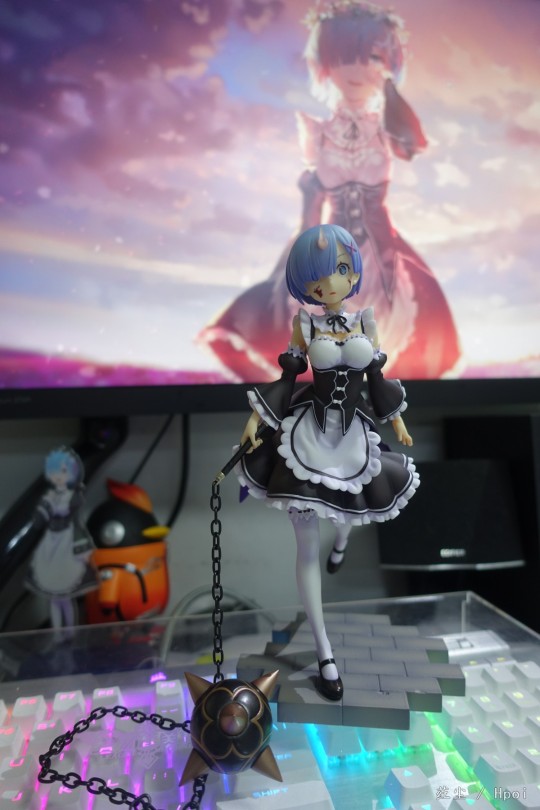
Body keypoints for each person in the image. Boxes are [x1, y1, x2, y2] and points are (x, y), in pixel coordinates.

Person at [200, 0, 460, 382]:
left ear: (388, 64)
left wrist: (390, 89)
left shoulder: (386, 126)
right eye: (345, 58)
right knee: (307, 332)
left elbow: (412, 145)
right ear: (326, 64)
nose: (357, 70)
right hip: (326, 248)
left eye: (372, 58)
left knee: (388, 344)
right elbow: (314, 202)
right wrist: (300, 253)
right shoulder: (317, 131)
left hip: (381, 254)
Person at [237, 223, 419, 701]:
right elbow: (288, 376)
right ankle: (324, 653)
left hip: (351, 435)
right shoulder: (304, 324)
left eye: (339, 269)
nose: (329, 284)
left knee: (349, 513)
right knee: (305, 546)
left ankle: (342, 540)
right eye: (315, 278)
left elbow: (376, 376)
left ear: (353, 271)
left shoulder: (365, 321)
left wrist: (396, 420)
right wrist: (256, 418)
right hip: (307, 438)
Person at [26, 447, 98, 628]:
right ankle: (57, 634)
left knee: (65, 597)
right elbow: (38, 522)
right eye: (55, 471)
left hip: (67, 542)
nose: (58, 476)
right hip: (50, 543)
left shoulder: (74, 496)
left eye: (64, 471)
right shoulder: (49, 496)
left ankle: (70, 633)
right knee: (53, 597)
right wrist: (44, 506)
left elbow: (71, 515)